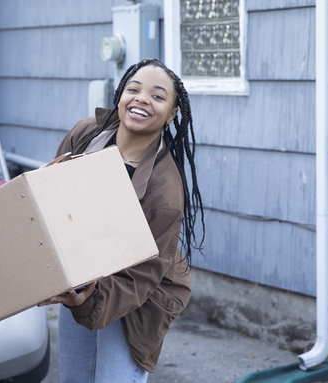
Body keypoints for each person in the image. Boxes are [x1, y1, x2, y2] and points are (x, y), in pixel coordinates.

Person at [38, 58, 205, 382]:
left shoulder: (165, 193)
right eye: (134, 89)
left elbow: (143, 274)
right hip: (82, 272)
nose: (142, 99)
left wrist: (87, 299)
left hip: (137, 291)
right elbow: (50, 198)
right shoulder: (88, 134)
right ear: (121, 96)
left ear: (172, 114)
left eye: (157, 96)